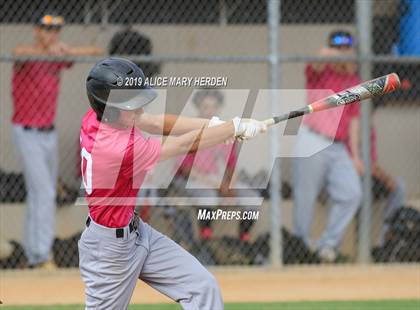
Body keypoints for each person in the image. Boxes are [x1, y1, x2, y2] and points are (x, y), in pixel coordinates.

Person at [78, 57, 266, 309]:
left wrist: (213, 125)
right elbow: (181, 145)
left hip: (137, 232)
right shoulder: (116, 147)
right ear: (109, 106)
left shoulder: (98, 117)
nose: (140, 109)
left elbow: (158, 123)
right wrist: (232, 129)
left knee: (202, 287)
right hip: (110, 251)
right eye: (131, 103)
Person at [11, 13, 103, 269]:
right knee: (44, 192)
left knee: (37, 194)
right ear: (36, 31)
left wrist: (66, 50)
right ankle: (41, 256)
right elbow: (17, 52)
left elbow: (96, 51)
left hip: (48, 134)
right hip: (26, 133)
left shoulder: (58, 56)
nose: (51, 34)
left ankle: (32, 253)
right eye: (46, 29)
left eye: (55, 30)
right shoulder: (28, 54)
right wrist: (49, 51)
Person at [292, 30, 362, 262]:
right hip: (313, 139)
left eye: (347, 49)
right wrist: (341, 54)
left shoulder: (354, 81)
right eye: (338, 48)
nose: (343, 53)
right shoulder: (321, 72)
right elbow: (320, 56)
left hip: (339, 146)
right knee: (306, 197)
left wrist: (356, 156)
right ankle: (300, 247)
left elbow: (353, 121)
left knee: (352, 193)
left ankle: (327, 246)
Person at [173, 90, 259, 243]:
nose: (209, 111)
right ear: (198, 107)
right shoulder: (189, 129)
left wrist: (229, 184)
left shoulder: (224, 131)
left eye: (213, 107)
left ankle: (243, 239)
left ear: (219, 108)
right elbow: (186, 170)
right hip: (192, 179)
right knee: (209, 197)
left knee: (253, 199)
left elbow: (231, 165)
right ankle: (206, 239)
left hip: (217, 180)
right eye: (205, 107)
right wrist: (218, 185)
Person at [348, 106, 405, 246]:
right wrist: (384, 177)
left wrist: (387, 179)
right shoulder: (349, 128)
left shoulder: (369, 130)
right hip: (350, 177)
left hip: (367, 176)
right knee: (363, 190)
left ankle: (384, 240)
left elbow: (372, 164)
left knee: (399, 187)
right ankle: (362, 244)